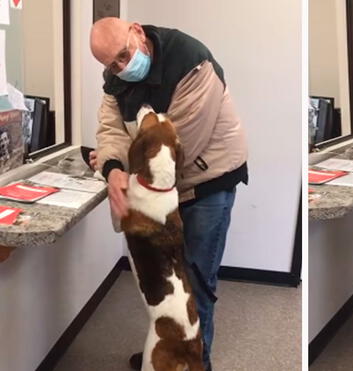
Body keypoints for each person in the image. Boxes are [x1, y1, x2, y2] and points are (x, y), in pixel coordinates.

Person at [89, 18, 248, 371]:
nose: (120, 68)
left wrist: (116, 162)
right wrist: (113, 166)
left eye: (123, 56)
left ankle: (196, 363)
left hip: (207, 182)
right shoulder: (115, 79)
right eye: (110, 64)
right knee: (167, 287)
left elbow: (173, 149)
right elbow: (111, 127)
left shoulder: (192, 62)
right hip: (161, 192)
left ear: (138, 32)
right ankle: (169, 350)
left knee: (195, 287)